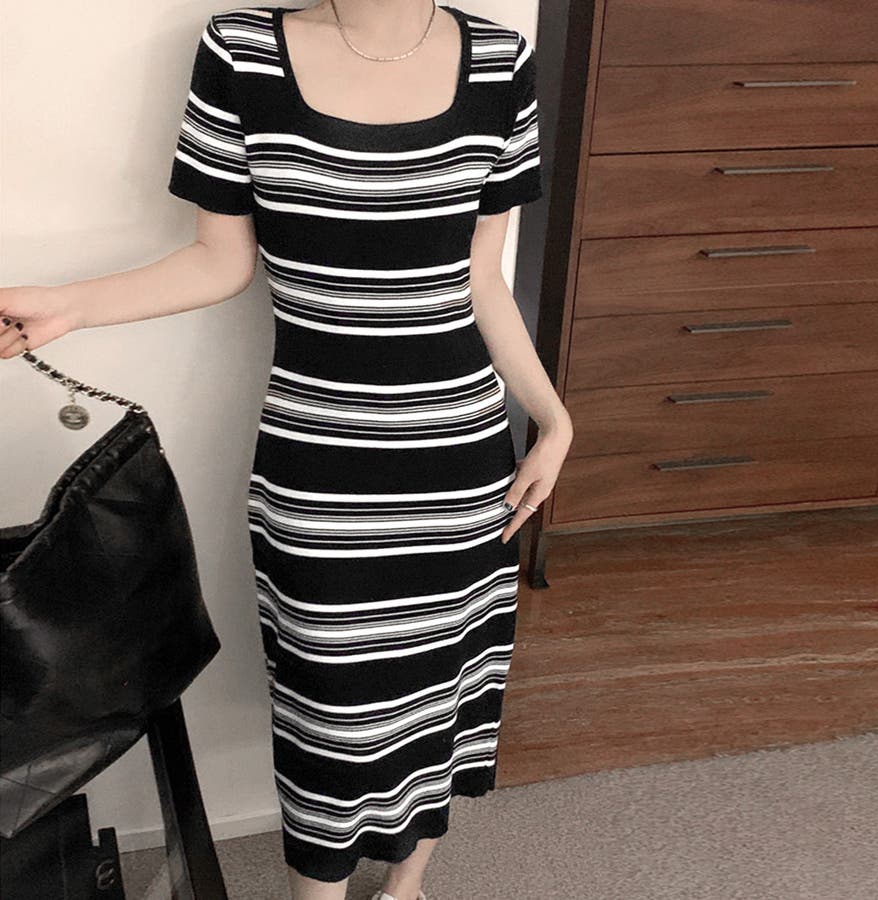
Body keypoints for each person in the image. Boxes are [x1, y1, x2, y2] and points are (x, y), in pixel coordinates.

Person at [0, 2, 573, 898]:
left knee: (441, 684)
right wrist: (71, 307)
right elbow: (220, 260)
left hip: (460, 459)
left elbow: (477, 276)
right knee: (330, 713)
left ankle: (408, 883)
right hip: (319, 461)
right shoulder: (244, 53)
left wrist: (553, 417)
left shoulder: (502, 62)